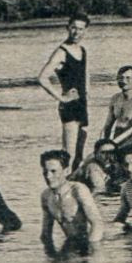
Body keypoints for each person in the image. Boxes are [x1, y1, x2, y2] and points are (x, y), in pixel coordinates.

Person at [37, 13, 91, 172]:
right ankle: (62, 186)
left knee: (80, 154)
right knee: (69, 154)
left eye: (81, 29)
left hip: (81, 104)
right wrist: (62, 98)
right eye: (73, 28)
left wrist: (87, 93)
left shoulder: (82, 50)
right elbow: (42, 78)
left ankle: (75, 186)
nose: (76, 32)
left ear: (85, 30)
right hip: (69, 106)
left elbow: (84, 74)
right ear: (68, 28)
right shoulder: (61, 51)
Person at [38, 148, 103, 253]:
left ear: (66, 171)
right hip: (72, 243)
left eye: (53, 171)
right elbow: (46, 234)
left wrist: (92, 253)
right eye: (45, 172)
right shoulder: (46, 196)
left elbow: (97, 224)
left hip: (93, 241)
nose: (48, 177)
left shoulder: (78, 190)